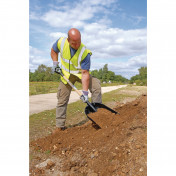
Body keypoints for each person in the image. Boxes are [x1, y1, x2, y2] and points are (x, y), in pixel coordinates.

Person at [50, 28, 102, 133]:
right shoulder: (61, 42)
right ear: (68, 40)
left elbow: (85, 73)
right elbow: (53, 50)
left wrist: (85, 93)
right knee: (62, 99)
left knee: (96, 86)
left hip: (79, 74)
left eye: (79, 42)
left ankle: (97, 118)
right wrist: (55, 63)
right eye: (74, 43)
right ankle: (60, 126)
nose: (77, 45)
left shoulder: (85, 52)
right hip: (66, 75)